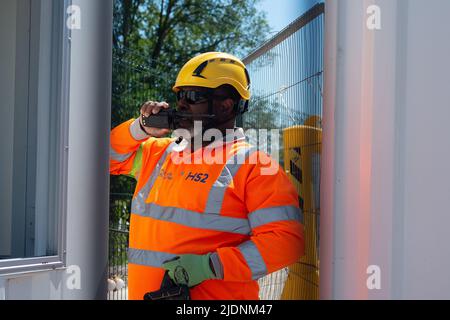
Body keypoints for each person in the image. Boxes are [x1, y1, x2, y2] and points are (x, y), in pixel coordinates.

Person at [110, 52, 304, 300]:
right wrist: (139, 128)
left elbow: (287, 241)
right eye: (180, 95)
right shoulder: (158, 153)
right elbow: (103, 160)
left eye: (193, 96)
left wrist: (211, 266)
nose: (181, 104)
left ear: (226, 105)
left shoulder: (255, 166)